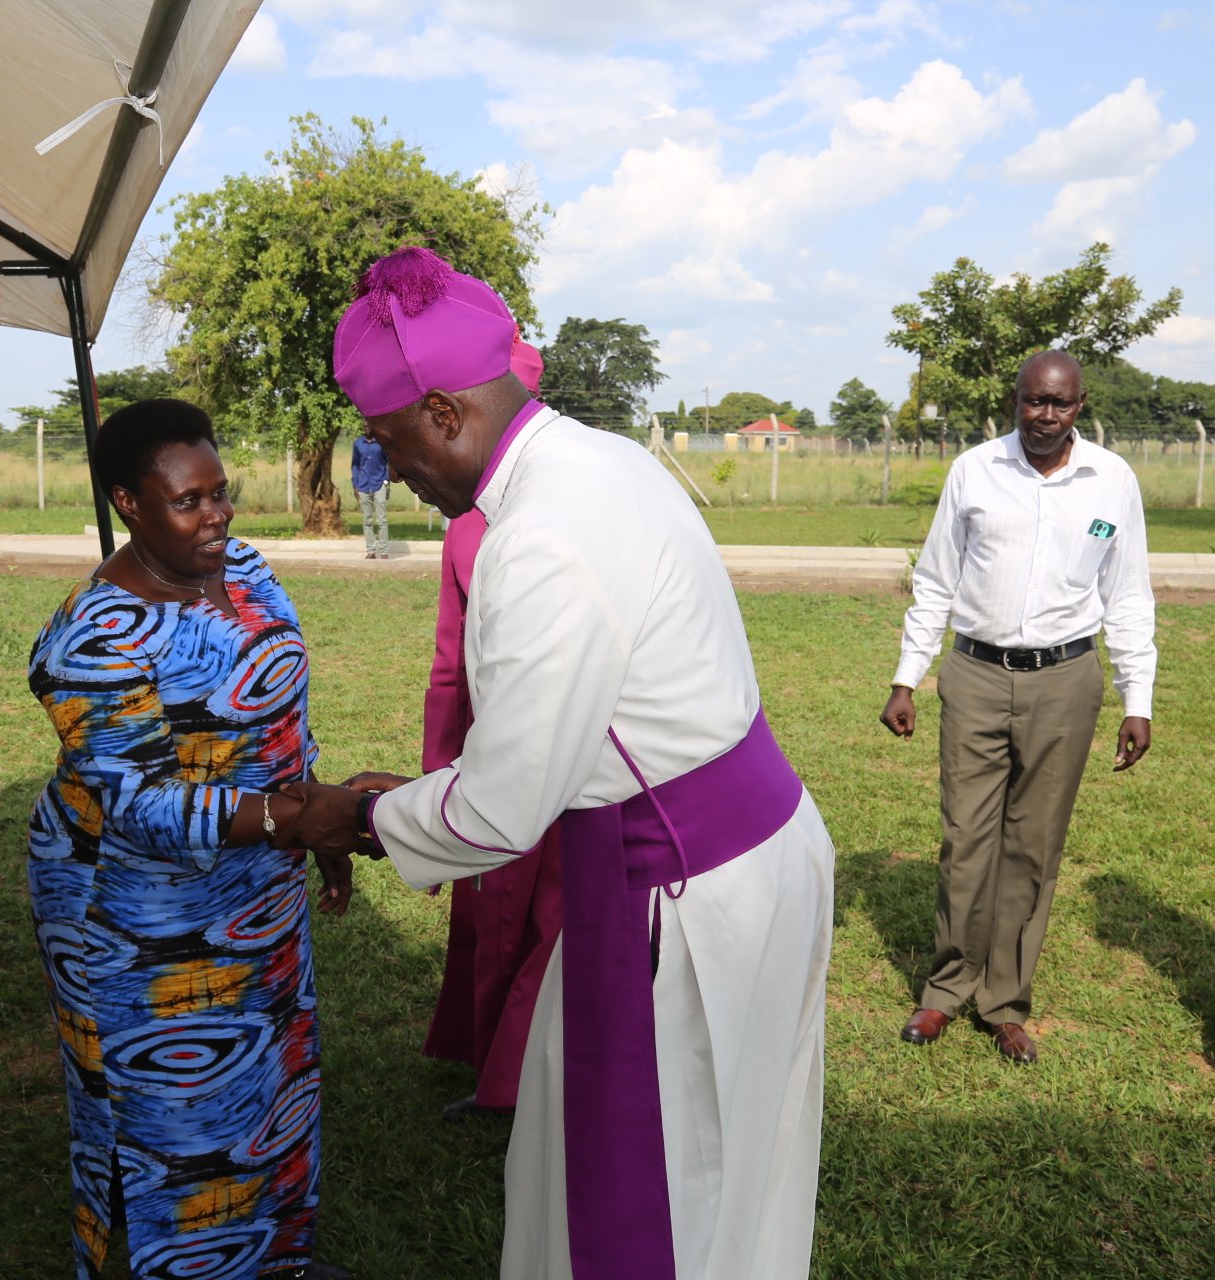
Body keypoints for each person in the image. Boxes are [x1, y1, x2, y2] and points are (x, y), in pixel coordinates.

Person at [276, 246, 835, 1280]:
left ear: (444, 413)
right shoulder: (598, 454)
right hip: (729, 849)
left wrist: (351, 815)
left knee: (655, 1193)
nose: (387, 466)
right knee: (732, 1168)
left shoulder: (538, 539)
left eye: (389, 440)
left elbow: (499, 810)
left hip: (682, 895)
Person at [25, 398, 351, 1280]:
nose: (218, 516)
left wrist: (311, 814)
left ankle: (276, 1258)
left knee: (271, 1074)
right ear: (128, 504)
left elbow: (282, 711)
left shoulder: (243, 568)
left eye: (220, 491)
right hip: (135, 913)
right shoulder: (94, 639)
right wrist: (297, 817)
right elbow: (140, 805)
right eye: (188, 502)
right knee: (174, 1112)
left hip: (258, 880)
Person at [879, 350, 1156, 1066]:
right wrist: (908, 678)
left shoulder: (1113, 480)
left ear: (1080, 405)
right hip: (974, 673)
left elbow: (1127, 594)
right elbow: (936, 579)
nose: (1044, 416)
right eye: (1033, 401)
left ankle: (1005, 1003)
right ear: (1015, 401)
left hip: (1066, 681)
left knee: (1033, 848)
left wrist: (1138, 697)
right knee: (964, 837)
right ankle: (945, 991)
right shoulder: (976, 470)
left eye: (1059, 404)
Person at [420, 332, 562, 1117]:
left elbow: (449, 668)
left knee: (530, 915)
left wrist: (442, 768)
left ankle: (508, 1079)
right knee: (520, 913)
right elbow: (451, 662)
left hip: (535, 745)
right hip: (510, 745)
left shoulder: (488, 522)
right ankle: (503, 1069)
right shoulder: (471, 523)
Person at [350, 432, 390, 559]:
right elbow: (355, 465)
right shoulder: (358, 444)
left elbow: (388, 462)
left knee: (382, 519)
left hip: (379, 484)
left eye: (368, 424)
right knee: (367, 520)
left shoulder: (381, 442)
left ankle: (383, 551)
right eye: (364, 425)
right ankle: (371, 550)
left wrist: (386, 480)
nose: (366, 427)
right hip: (363, 485)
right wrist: (355, 484)